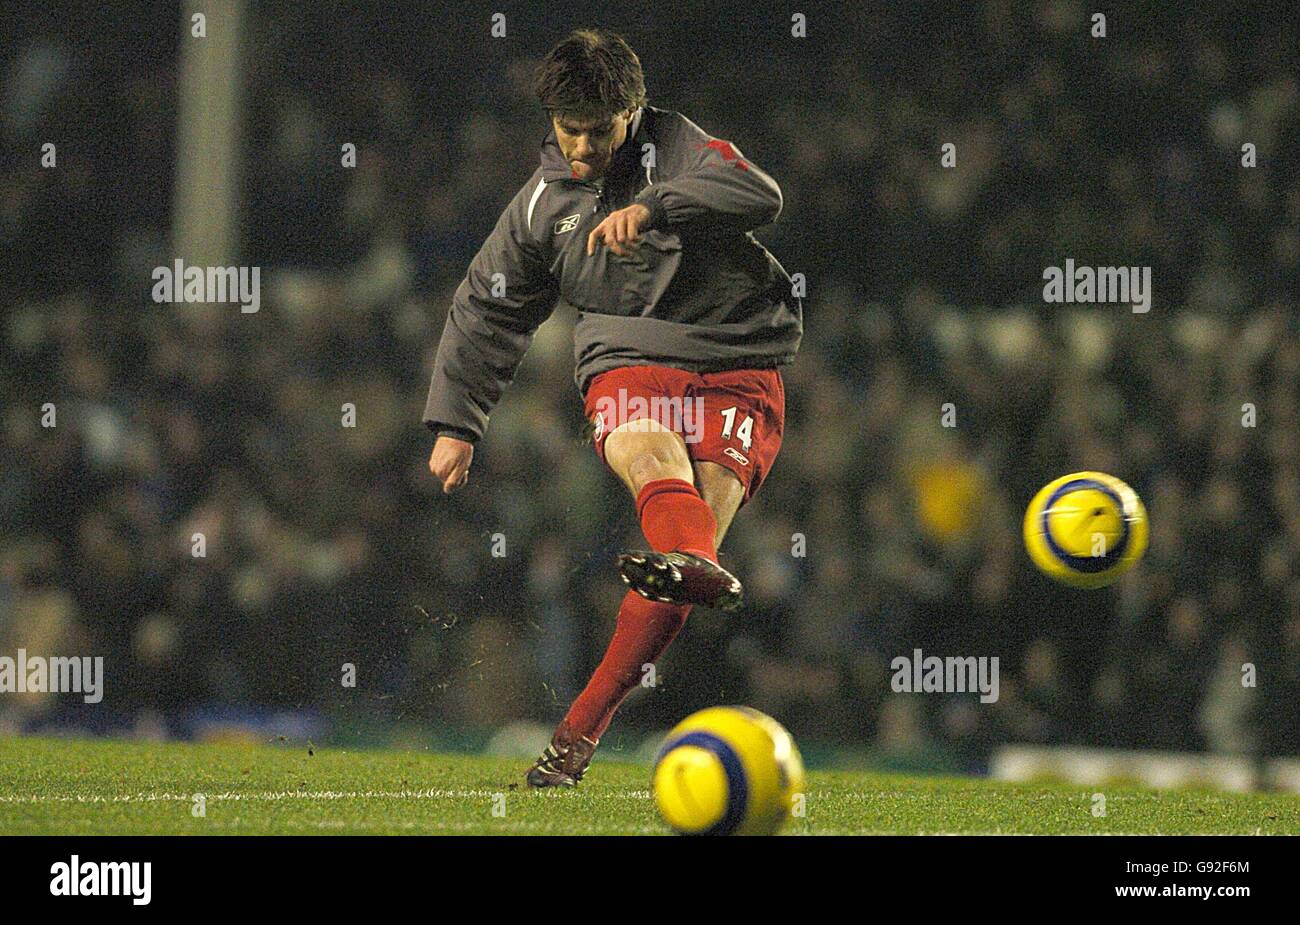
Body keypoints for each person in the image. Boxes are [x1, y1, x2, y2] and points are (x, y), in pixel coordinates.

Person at [423, 28, 802, 786]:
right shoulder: (539, 208)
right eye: (571, 131)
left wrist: (658, 207)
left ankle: (579, 727)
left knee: (682, 561)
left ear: (634, 111)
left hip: (737, 358)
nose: (585, 147)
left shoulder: (684, 147)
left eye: (601, 130)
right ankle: (581, 735)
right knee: (647, 456)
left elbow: (761, 194)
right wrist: (457, 421)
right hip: (626, 354)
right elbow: (488, 308)